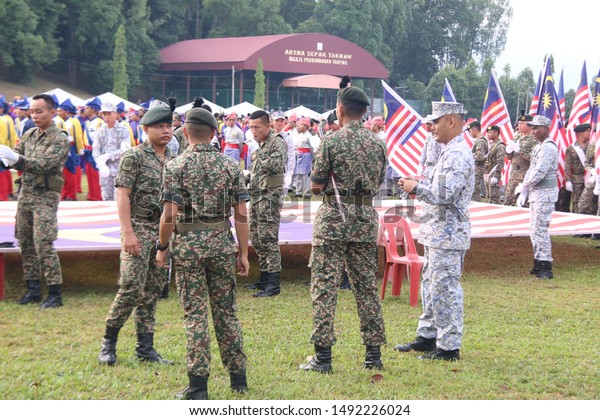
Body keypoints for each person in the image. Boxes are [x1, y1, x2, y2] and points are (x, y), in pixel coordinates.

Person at [156, 107, 250, 400]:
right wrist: (244, 253)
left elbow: (168, 215)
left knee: (195, 315)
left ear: (185, 132)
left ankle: (198, 386)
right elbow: (242, 214)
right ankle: (238, 379)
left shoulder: (175, 166)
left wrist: (162, 247)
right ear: (214, 134)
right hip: (221, 245)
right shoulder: (230, 166)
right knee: (226, 313)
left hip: (188, 249)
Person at [299, 78, 387, 373]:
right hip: (363, 219)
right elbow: (379, 182)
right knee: (366, 289)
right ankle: (373, 355)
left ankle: (323, 358)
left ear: (340, 110)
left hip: (333, 221)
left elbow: (315, 186)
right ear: (364, 111)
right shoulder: (378, 143)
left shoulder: (331, 141)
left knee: (325, 288)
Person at [97, 103, 175, 366]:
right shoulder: (135, 156)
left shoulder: (174, 158)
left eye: (169, 126)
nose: (166, 130)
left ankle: (146, 347)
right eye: (160, 126)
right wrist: (128, 233)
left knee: (154, 289)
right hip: (139, 228)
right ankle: (109, 341)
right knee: (131, 287)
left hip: (162, 230)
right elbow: (123, 196)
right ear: (145, 129)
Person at [395, 101, 474, 361]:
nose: (432, 128)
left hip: (448, 234)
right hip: (438, 231)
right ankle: (427, 337)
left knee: (445, 289)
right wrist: (418, 182)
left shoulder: (458, 153)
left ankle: (449, 347)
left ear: (451, 121)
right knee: (430, 285)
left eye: (436, 122)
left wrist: (415, 188)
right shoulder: (447, 151)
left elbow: (446, 193)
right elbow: (440, 184)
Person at [0, 94, 70, 308]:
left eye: (39, 111)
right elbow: (17, 157)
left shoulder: (60, 138)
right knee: (25, 241)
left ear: (52, 112)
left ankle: (54, 292)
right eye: (32, 111)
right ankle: (33, 290)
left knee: (43, 241)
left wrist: (16, 159)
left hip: (45, 196)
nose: (34, 115)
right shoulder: (29, 133)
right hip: (26, 194)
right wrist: (7, 159)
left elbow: (46, 164)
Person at [245, 110, 287, 297]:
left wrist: (259, 154)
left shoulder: (276, 142)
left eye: (257, 127)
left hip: (269, 198)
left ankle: (273, 282)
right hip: (256, 197)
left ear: (268, 126)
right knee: (256, 237)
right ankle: (263, 277)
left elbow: (277, 166)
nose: (253, 131)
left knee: (269, 239)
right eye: (251, 127)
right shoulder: (261, 145)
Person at [517, 115, 559, 279]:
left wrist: (525, 186)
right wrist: (525, 188)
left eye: (536, 128)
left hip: (545, 193)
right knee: (534, 229)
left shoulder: (548, 147)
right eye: (532, 128)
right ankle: (538, 262)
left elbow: (540, 171)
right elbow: (531, 169)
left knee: (540, 229)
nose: (533, 131)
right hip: (537, 193)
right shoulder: (539, 147)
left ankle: (545, 266)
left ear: (546, 129)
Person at [93, 103, 131, 201]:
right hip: (105, 171)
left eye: (109, 114)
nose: (106, 116)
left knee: (118, 199)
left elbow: (125, 149)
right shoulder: (101, 130)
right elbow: (96, 148)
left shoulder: (123, 129)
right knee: (106, 198)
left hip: (118, 170)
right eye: (104, 114)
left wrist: (109, 156)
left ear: (115, 113)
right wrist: (100, 162)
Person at [503, 115, 536, 206]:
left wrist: (519, 150)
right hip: (514, 174)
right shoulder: (517, 137)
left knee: (524, 203)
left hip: (526, 174)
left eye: (522, 124)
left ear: (529, 125)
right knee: (507, 200)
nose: (519, 126)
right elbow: (509, 157)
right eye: (519, 123)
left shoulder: (534, 139)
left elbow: (534, 158)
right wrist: (508, 152)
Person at [57, 99, 84, 201]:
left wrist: (79, 148)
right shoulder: (58, 121)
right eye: (58, 111)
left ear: (67, 112)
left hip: (71, 148)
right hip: (60, 148)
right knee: (62, 172)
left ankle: (71, 194)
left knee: (70, 171)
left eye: (61, 111)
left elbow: (78, 136)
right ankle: (64, 192)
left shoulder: (73, 122)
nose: (58, 113)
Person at [564, 123, 591, 213]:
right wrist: (567, 180)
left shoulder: (591, 146)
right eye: (587, 131)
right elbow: (567, 165)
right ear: (580, 133)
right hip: (577, 179)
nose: (590, 133)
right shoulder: (571, 148)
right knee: (576, 202)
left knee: (589, 202)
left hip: (590, 178)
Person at [82, 97, 104, 201]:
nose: (85, 110)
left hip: (96, 151)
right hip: (88, 150)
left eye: (87, 108)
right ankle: (91, 194)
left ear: (94, 110)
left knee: (96, 174)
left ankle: (97, 195)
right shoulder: (87, 122)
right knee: (89, 173)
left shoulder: (99, 122)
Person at [272, 111, 296, 196]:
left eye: (281, 121)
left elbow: (291, 155)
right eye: (277, 120)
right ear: (272, 122)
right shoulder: (268, 136)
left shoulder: (287, 137)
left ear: (284, 123)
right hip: (269, 171)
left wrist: (290, 173)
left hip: (282, 171)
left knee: (280, 199)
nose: (279, 123)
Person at [292, 117, 313, 199]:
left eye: (300, 125)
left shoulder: (309, 136)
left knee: (305, 175)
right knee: (298, 174)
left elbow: (312, 148)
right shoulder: (299, 135)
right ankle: (298, 191)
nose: (298, 126)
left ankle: (307, 192)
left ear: (306, 126)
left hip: (306, 156)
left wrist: (313, 158)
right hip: (299, 155)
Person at [484, 125, 505, 204]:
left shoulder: (500, 145)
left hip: (494, 172)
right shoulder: (492, 144)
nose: (488, 134)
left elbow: (500, 161)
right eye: (487, 133)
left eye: (490, 132)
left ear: (496, 133)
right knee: (489, 195)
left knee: (494, 196)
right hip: (489, 172)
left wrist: (496, 175)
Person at [468, 121, 488, 201]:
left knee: (475, 192)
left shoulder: (480, 141)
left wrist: (471, 155)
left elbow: (480, 157)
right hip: (476, 168)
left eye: (470, 131)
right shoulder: (478, 140)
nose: (470, 133)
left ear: (475, 130)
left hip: (478, 168)